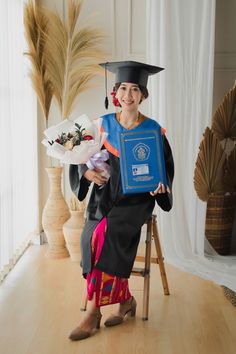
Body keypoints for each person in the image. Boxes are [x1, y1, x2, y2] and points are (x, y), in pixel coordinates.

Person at [68, 60, 174, 341]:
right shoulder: (100, 126)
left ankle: (93, 313)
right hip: (103, 198)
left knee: (106, 233)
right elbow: (78, 160)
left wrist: (160, 189)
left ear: (143, 95)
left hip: (134, 202)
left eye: (135, 90)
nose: (128, 95)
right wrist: (87, 173)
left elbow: (164, 173)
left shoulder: (154, 131)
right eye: (123, 88)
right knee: (90, 238)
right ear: (115, 92)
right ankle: (125, 300)